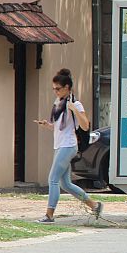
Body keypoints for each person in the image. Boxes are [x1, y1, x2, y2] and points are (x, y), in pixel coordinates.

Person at [34, 68, 103, 223]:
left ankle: (49, 215)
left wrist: (74, 110)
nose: (55, 92)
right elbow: (61, 128)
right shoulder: (59, 104)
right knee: (66, 184)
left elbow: (85, 125)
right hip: (59, 145)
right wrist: (47, 125)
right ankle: (95, 205)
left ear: (67, 87)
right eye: (53, 89)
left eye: (58, 89)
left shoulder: (75, 104)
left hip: (68, 146)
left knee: (52, 179)